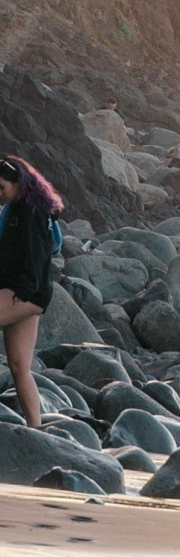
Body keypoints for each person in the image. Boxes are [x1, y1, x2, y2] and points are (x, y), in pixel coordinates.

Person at [0, 154, 63, 428]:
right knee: (19, 367)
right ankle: (36, 430)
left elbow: (37, 254)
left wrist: (21, 292)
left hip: (25, 291)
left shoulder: (31, 211)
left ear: (18, 182)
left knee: (20, 366)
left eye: (2, 187)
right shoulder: (18, 208)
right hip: (30, 292)